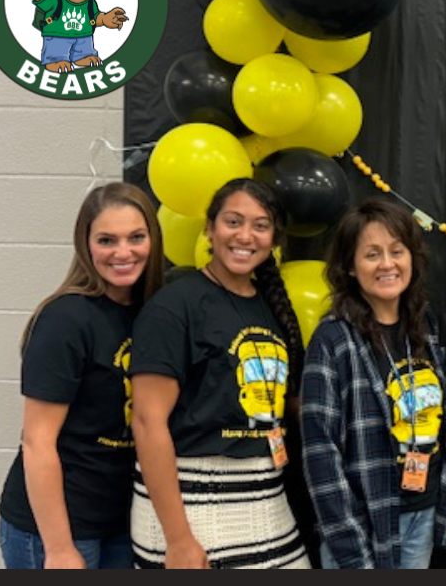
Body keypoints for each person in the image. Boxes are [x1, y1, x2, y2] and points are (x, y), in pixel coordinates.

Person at [128, 177, 312, 569]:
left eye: (260, 226)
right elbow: (147, 423)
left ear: (274, 240)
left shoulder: (270, 310)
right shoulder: (174, 307)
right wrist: (178, 540)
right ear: (209, 229)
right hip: (195, 513)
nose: (245, 235)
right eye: (233, 221)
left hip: (265, 506)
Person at [0, 181, 165, 569]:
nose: (123, 252)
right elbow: (38, 441)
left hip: (121, 525)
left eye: (136, 237)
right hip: (55, 530)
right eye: (107, 240)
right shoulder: (66, 318)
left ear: (153, 240)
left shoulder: (154, 314)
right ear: (86, 245)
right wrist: (58, 549)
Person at [300, 197, 446, 568]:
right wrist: (348, 545)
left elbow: (443, 418)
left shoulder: (425, 325)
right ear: (351, 268)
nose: (387, 264)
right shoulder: (333, 338)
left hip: (423, 511)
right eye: (372, 254)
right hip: (362, 524)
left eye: (396, 251)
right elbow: (320, 452)